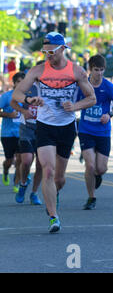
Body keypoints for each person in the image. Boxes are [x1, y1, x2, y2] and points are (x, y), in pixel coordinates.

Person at [12, 32, 96, 233]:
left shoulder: (76, 71)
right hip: (45, 125)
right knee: (47, 170)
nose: (48, 55)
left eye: (51, 51)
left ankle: (53, 193)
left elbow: (91, 98)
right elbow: (17, 94)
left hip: (67, 127)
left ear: (62, 49)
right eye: (45, 51)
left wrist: (74, 106)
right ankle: (53, 217)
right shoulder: (38, 70)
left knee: (59, 178)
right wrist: (30, 100)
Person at [78, 54, 113, 210]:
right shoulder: (83, 85)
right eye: (96, 70)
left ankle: (97, 175)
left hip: (103, 132)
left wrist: (109, 114)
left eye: (102, 70)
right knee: (89, 166)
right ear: (90, 70)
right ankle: (91, 197)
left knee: (101, 169)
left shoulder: (108, 87)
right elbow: (75, 102)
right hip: (86, 130)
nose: (100, 73)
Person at [10, 69, 43, 205]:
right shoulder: (26, 86)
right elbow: (13, 102)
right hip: (27, 128)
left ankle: (34, 193)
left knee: (41, 164)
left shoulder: (49, 88)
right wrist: (23, 111)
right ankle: (23, 183)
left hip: (43, 129)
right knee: (26, 161)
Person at [0, 72, 23, 193]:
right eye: (18, 81)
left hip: (22, 133)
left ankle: (16, 182)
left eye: (23, 82)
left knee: (20, 159)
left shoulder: (27, 97)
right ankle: (5, 171)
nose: (21, 84)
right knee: (9, 160)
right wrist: (9, 115)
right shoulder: (6, 96)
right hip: (7, 133)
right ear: (14, 83)